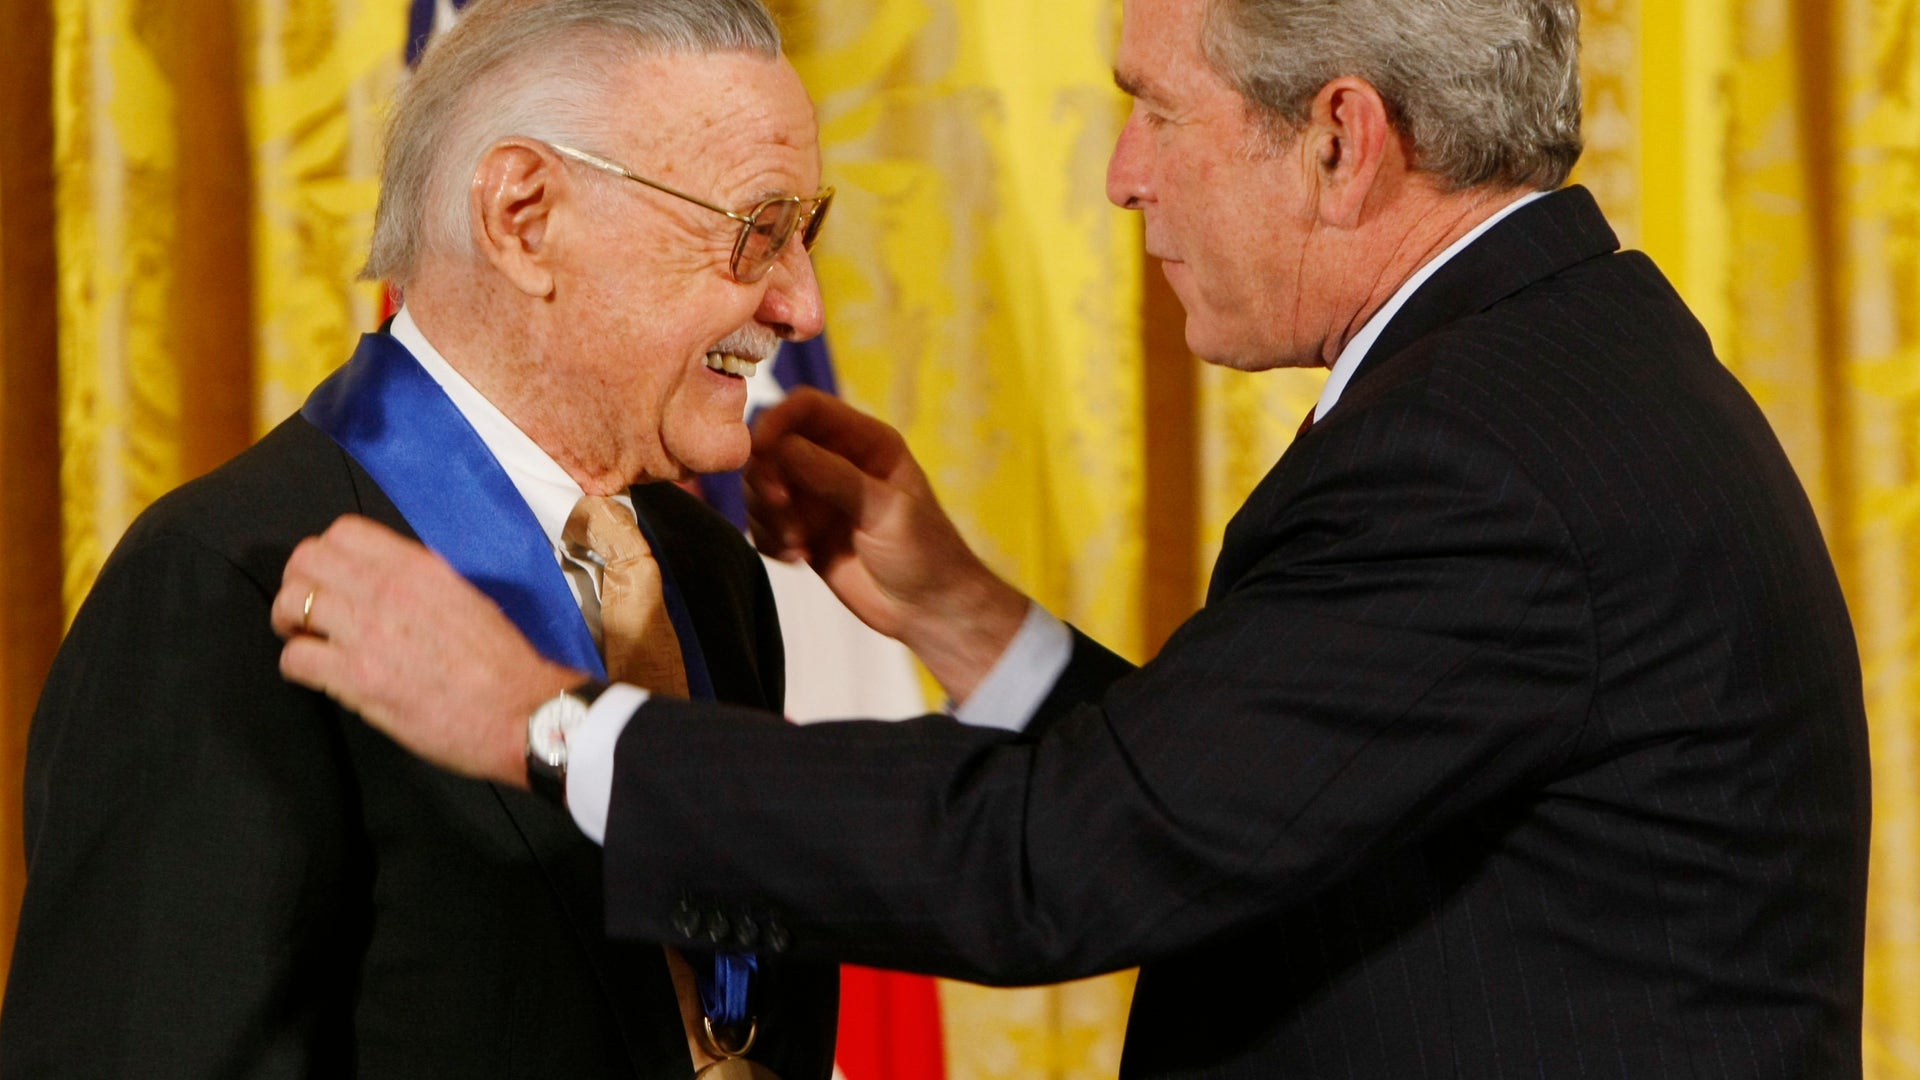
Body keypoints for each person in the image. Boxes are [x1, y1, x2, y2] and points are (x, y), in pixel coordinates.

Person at [269, 0, 1873, 1075]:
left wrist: (545, 724)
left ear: (1339, 136)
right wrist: (965, 618)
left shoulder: (1478, 457)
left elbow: (1063, 862)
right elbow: (1239, 809)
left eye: (1154, 110)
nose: (1121, 179)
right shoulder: (1549, 369)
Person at [0, 0, 839, 1076]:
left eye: (806, 231)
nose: (802, 305)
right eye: (757, 231)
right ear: (526, 218)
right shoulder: (221, 592)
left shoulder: (709, 572)